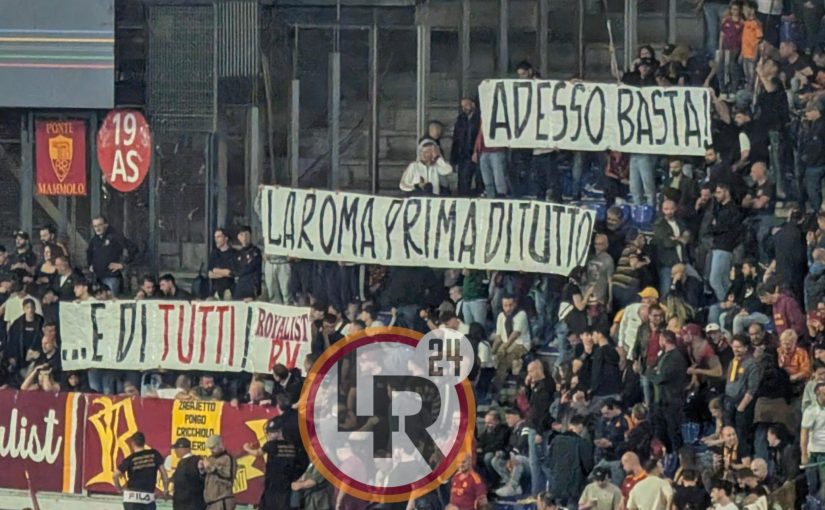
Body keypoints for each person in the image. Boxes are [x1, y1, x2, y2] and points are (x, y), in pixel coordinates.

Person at [243, 417, 302, 510]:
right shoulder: (292, 445)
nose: (269, 435)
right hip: (287, 486)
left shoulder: (271, 445)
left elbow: (257, 453)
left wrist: (246, 448)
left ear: (279, 432)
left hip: (273, 486)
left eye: (272, 432)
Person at [114, 432, 169, 510]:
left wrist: (119, 489)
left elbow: (115, 475)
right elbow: (164, 475)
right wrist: (165, 490)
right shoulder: (154, 454)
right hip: (148, 497)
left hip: (131, 497)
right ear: (144, 442)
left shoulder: (130, 459)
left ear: (132, 443)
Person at [87, 216, 137, 298]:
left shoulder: (115, 237)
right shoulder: (95, 240)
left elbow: (133, 249)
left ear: (106, 225)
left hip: (111, 278)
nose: (97, 228)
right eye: (95, 226)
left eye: (100, 225)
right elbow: (89, 253)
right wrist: (90, 265)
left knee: (112, 305)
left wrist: (122, 264)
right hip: (97, 278)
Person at [492, 294, 531, 387]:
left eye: (510, 305)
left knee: (503, 361)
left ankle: (496, 389)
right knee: (495, 358)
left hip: (520, 344)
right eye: (505, 305)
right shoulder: (501, 316)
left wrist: (503, 349)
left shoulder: (521, 314)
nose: (508, 308)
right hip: (506, 343)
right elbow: (498, 337)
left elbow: (515, 334)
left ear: (515, 304)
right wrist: (492, 352)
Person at [451, 97, 481, 196]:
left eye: (466, 105)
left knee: (480, 182)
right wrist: (453, 159)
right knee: (463, 184)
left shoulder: (480, 118)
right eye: (462, 106)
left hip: (478, 154)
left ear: (473, 104)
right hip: (463, 155)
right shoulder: (460, 119)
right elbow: (456, 139)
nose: (464, 108)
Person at [168, 438, 205, 510]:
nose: (175, 451)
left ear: (185, 449)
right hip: (189, 504)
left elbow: (194, 481)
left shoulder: (194, 462)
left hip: (189, 504)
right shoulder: (184, 462)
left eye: (177, 448)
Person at [201, 435, 236, 510]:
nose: (211, 450)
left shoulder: (228, 458)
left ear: (220, 444)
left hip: (222, 501)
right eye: (210, 448)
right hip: (210, 502)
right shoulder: (210, 458)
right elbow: (206, 480)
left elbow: (228, 480)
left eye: (213, 447)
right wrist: (202, 470)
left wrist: (213, 469)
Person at [233, 226, 262, 301]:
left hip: (251, 288)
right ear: (238, 237)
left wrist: (256, 292)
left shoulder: (256, 251)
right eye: (242, 235)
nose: (244, 237)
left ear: (250, 236)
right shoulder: (237, 254)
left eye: (246, 235)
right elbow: (235, 271)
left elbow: (254, 270)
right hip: (239, 289)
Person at [207, 228, 235, 300]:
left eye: (219, 237)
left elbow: (230, 273)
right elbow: (210, 274)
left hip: (230, 290)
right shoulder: (214, 254)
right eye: (215, 237)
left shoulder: (233, 254)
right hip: (216, 291)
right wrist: (223, 273)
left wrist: (216, 270)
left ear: (226, 238)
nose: (216, 239)